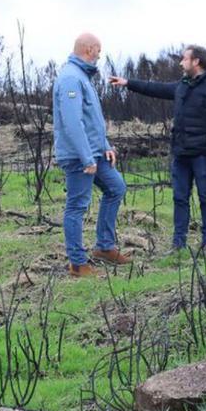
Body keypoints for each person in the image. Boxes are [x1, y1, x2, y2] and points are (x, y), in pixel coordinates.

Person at [109, 45, 206, 254]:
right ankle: (178, 244)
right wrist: (128, 83)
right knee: (179, 197)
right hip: (181, 152)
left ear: (196, 61)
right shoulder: (183, 85)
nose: (180, 63)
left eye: (184, 59)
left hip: (203, 153)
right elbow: (156, 88)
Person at [53, 33, 131, 277]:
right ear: (88, 49)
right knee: (77, 206)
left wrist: (105, 145)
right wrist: (87, 158)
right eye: (98, 50)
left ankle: (105, 247)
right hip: (79, 157)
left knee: (116, 187)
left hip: (96, 153)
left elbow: (91, 120)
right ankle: (77, 264)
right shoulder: (70, 79)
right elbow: (72, 123)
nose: (100, 54)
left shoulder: (83, 77)